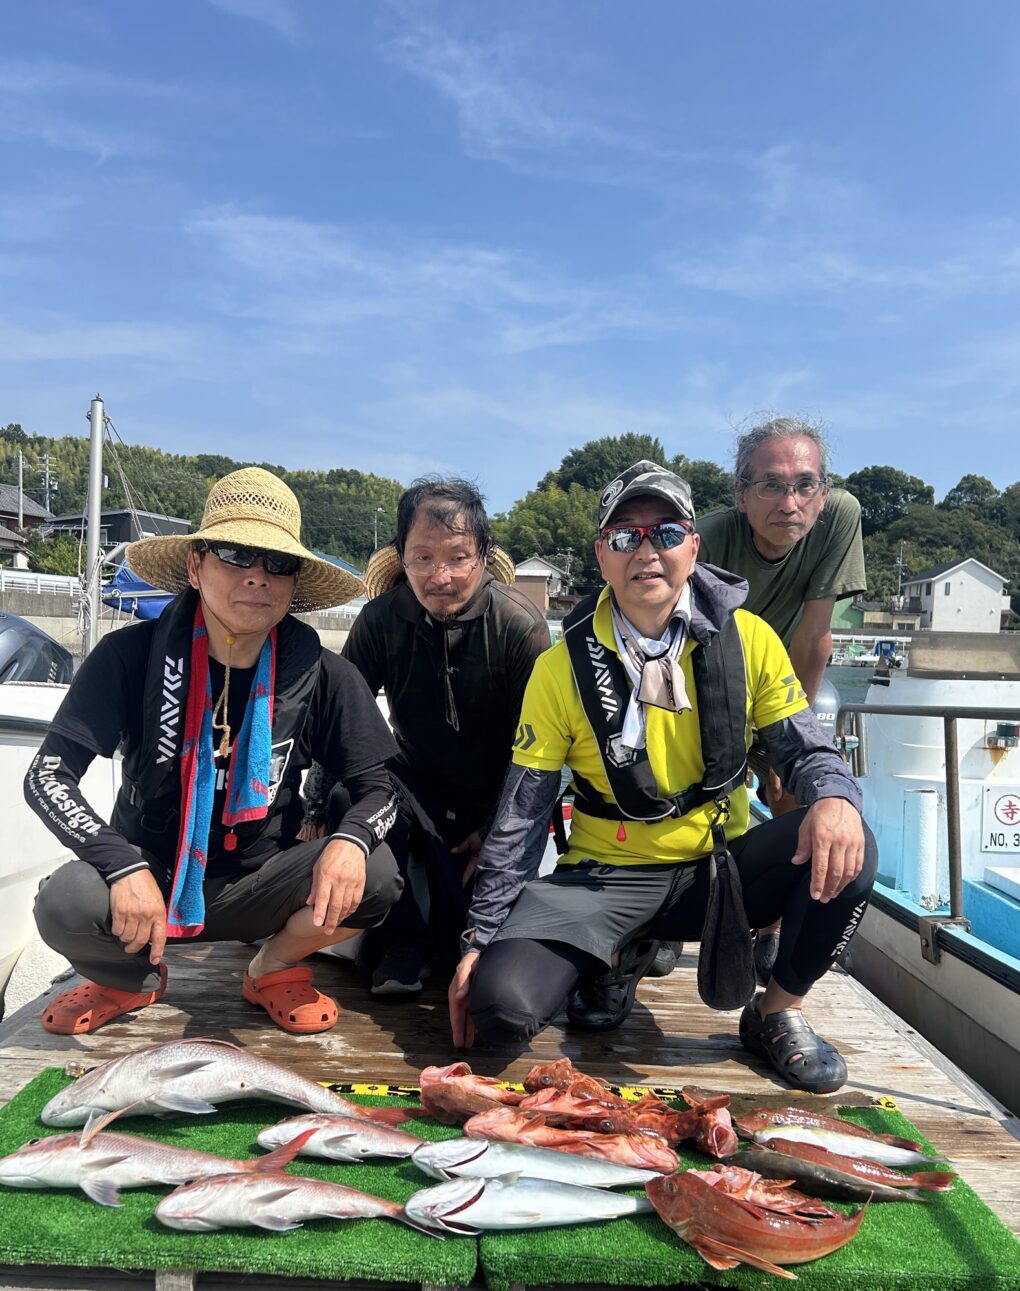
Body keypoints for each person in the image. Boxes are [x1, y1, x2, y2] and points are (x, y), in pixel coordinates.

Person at [448, 459, 877, 1094]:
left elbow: (805, 749)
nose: (646, 551)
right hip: (601, 878)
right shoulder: (560, 668)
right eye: (625, 536)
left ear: (693, 546)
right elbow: (523, 812)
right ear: (602, 556)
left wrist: (835, 796)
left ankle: (775, 1011)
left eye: (666, 533)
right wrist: (478, 937)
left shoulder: (750, 639)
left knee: (850, 840)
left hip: (716, 871)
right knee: (499, 1011)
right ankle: (616, 953)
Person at [25, 467, 403, 1036]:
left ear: (293, 583)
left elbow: (382, 787)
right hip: (151, 874)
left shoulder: (324, 674)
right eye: (235, 554)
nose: (257, 576)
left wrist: (350, 840)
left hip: (264, 881)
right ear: (194, 565)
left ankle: (272, 967)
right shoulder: (127, 656)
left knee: (376, 873)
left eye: (278, 563)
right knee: (66, 901)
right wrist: (119, 863)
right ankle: (126, 979)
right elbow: (46, 777)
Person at [301, 477, 550, 995]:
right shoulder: (380, 620)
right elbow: (339, 719)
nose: (441, 577)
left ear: (483, 554)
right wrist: (314, 808)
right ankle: (402, 941)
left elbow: (538, 754)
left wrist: (495, 829)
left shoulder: (518, 626)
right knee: (349, 795)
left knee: (470, 941)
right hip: (411, 787)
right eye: (423, 558)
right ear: (401, 558)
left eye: (458, 558)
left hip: (489, 797)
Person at [697, 417, 867, 981]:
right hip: (713, 682)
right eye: (770, 485)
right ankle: (676, 917)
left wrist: (788, 746)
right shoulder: (709, 538)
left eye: (804, 485)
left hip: (785, 682)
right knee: (703, 790)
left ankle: (771, 933)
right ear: (740, 493)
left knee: (795, 793)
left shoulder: (838, 516)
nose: (789, 503)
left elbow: (815, 633)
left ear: (823, 490)